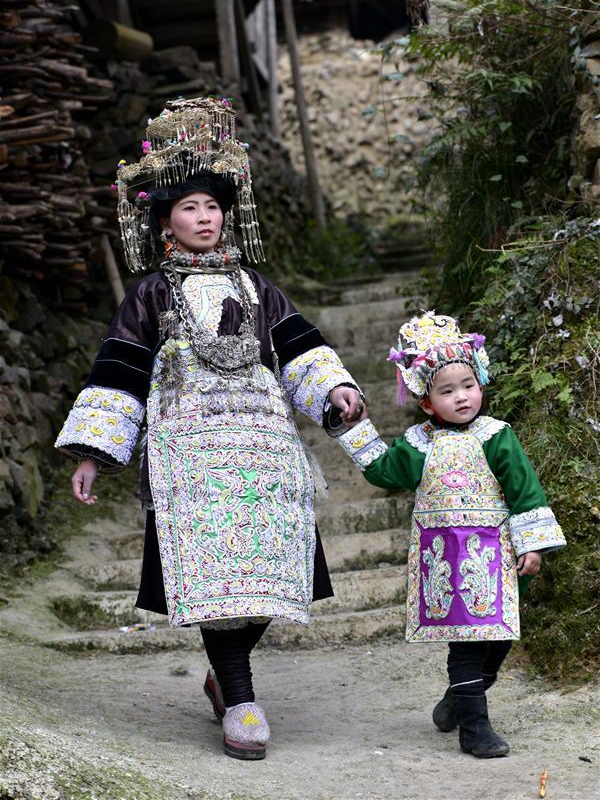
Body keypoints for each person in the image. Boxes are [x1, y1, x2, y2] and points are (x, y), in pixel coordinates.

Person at [55, 96, 366, 761]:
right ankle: (241, 696)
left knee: (272, 575)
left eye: (213, 207)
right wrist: (92, 452)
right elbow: (120, 373)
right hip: (188, 454)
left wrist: (336, 389)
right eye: (190, 207)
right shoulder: (150, 295)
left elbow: (300, 349)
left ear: (227, 215)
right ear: (165, 221)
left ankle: (225, 677)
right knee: (216, 578)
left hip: (263, 450)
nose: (205, 217)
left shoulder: (256, 287)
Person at [336, 311, 566, 759]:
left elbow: (524, 489)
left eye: (468, 386)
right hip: (446, 561)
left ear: (480, 383)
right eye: (447, 391)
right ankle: (474, 728)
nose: (461, 397)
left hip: (496, 558)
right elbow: (383, 472)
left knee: (498, 640)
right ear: (426, 402)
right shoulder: (417, 444)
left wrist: (532, 543)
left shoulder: (497, 436)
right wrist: (354, 430)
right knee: (466, 644)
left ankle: (458, 701)